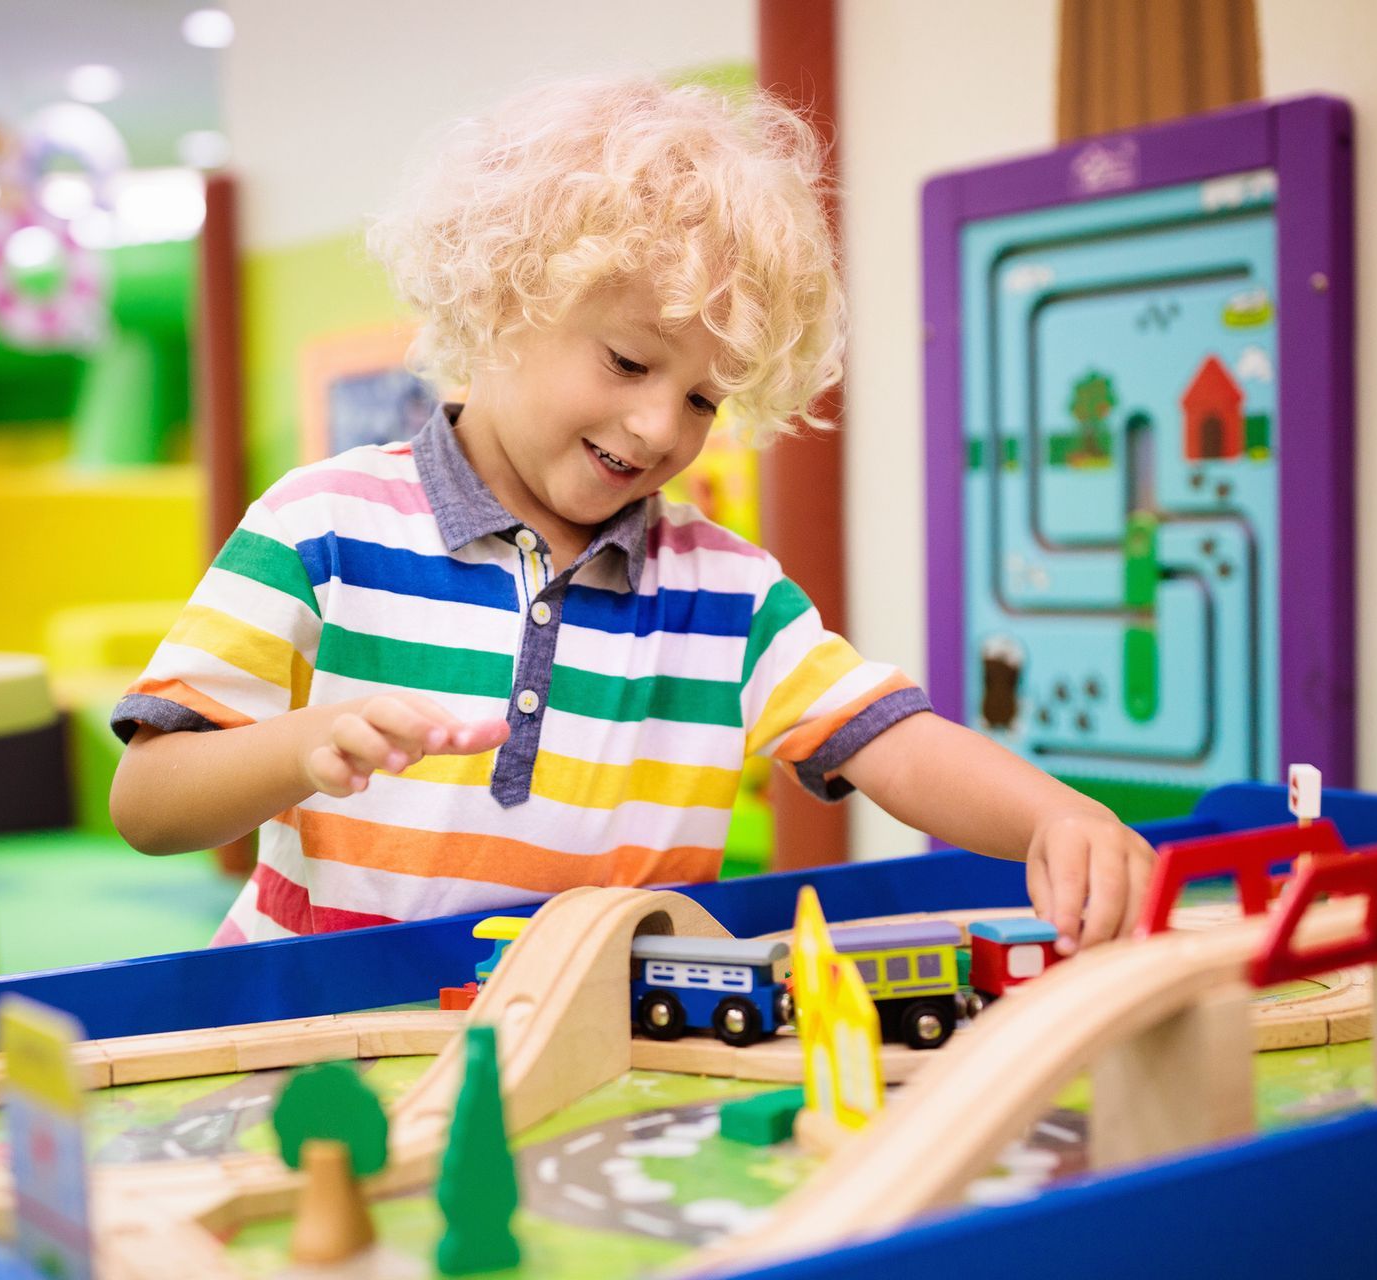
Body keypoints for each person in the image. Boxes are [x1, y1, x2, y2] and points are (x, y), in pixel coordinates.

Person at [110, 75, 1155, 953]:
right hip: (324, 1042)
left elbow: (898, 742)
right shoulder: (322, 522)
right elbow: (148, 803)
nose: (660, 426)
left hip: (604, 1048)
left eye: (704, 398)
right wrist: (300, 743)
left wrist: (1056, 815)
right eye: (627, 361)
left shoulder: (730, 596)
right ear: (503, 302)